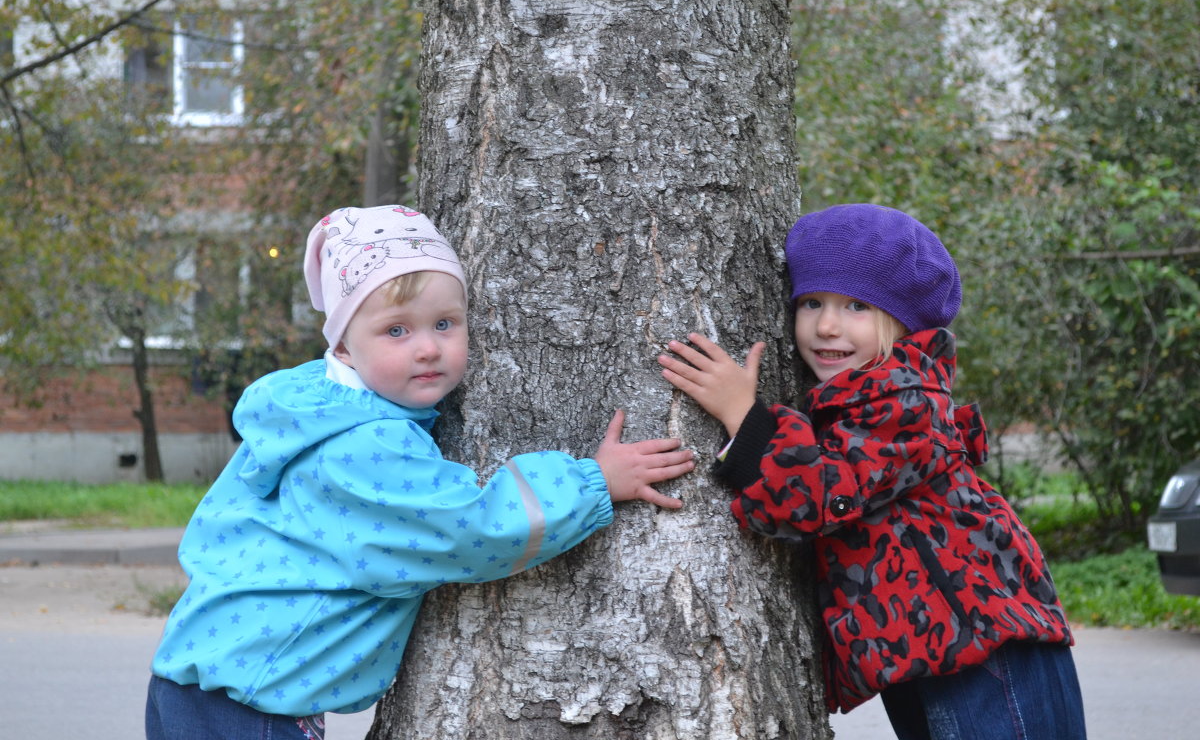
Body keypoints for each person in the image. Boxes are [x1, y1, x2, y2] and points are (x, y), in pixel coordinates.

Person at [145, 205, 695, 740]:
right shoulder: (365, 447)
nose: (428, 348)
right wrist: (593, 481)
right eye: (397, 331)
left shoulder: (310, 413)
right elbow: (469, 530)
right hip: (249, 706)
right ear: (342, 343)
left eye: (444, 323)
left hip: (209, 683)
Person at [657, 203, 1086, 740]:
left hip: (985, 650)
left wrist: (743, 417)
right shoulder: (849, 401)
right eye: (811, 302)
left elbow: (816, 498)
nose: (827, 325)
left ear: (901, 321)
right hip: (928, 653)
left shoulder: (903, 397)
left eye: (856, 305)